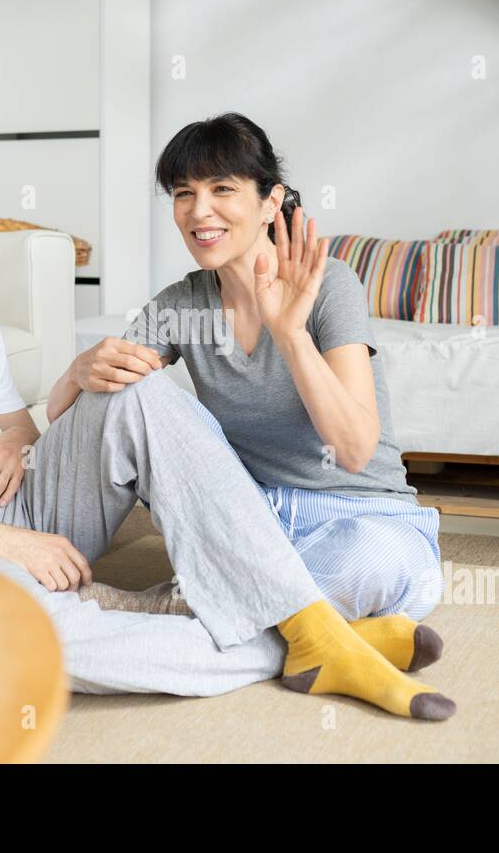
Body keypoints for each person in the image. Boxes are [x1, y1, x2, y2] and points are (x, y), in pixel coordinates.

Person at [0, 130, 454, 720]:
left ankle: (278, 617)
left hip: (32, 510)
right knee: (26, 640)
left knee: (141, 394)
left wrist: (18, 433)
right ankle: (321, 638)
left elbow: (36, 438)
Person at [50, 113, 446, 634]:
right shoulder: (181, 304)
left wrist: (290, 334)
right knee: (125, 389)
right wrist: (77, 372)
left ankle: (186, 607)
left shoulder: (328, 285)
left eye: (222, 189)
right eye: (183, 193)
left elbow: (353, 451)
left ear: (269, 202)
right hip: (250, 522)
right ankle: (295, 623)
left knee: (379, 565)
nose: (199, 211)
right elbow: (86, 424)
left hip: (358, 515)